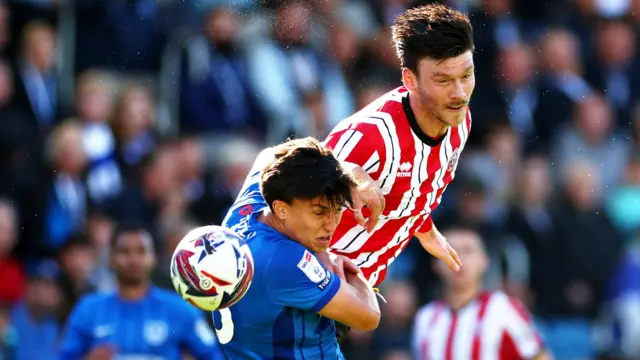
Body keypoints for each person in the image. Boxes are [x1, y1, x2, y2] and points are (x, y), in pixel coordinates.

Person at [323, 3, 474, 287]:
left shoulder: (460, 120)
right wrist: (346, 171)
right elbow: (301, 182)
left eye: (466, 76)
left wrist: (425, 229)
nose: (459, 93)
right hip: (316, 288)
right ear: (410, 80)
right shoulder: (373, 135)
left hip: (359, 285)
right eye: (443, 80)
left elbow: (414, 188)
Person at [215, 137, 381, 359]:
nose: (331, 225)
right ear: (281, 209)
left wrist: (345, 171)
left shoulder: (245, 211)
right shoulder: (283, 260)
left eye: (338, 209)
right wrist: (354, 276)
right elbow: (368, 317)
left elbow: (269, 154)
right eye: (320, 212)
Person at [59, 222, 218, 360]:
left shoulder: (180, 309)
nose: (133, 259)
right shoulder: (89, 309)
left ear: (154, 258)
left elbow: (214, 355)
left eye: (141, 251)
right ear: (111, 258)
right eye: (124, 251)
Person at [412, 227, 553, 360]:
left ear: (484, 261)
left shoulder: (503, 309)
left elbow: (539, 356)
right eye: (449, 250)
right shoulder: (425, 317)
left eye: (468, 251)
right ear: (436, 263)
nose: (458, 258)